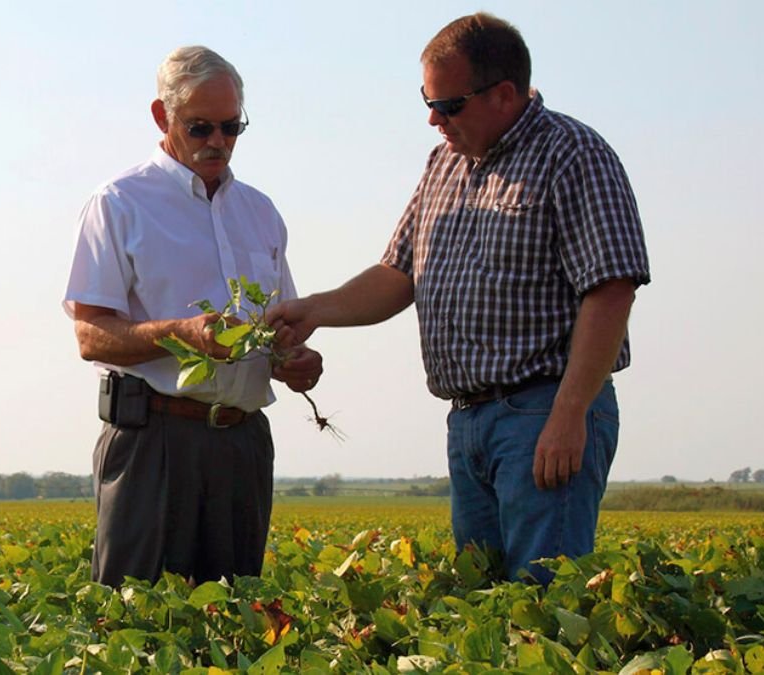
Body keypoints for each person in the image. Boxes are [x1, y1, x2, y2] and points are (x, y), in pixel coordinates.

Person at [267, 13, 650, 584]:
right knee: (483, 601)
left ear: (504, 94)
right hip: (468, 419)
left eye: (449, 105)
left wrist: (570, 414)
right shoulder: (444, 163)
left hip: (542, 411)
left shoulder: (573, 154)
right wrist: (315, 309)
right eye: (428, 102)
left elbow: (611, 289)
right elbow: (399, 273)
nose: (434, 119)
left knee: (544, 601)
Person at [63, 46, 323, 587]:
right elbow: (90, 334)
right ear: (163, 117)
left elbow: (279, 327)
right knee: (135, 617)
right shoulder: (119, 202)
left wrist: (293, 360)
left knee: (233, 618)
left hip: (243, 444)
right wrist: (181, 335)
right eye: (200, 127)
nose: (218, 142)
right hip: (153, 441)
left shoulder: (260, 212)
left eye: (231, 127)